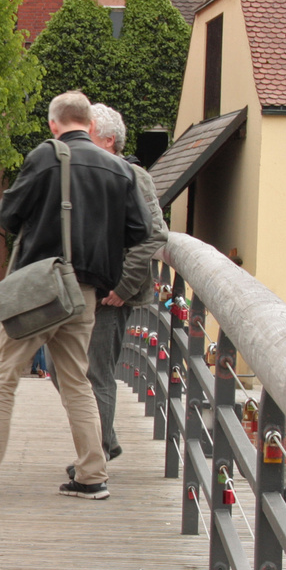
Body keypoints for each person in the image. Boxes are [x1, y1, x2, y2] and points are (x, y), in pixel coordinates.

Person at [0, 91, 147, 501]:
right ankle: (93, 475)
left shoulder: (45, 157)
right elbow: (139, 232)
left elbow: (9, 215)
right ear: (91, 125)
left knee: (5, 376)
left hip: (40, 287)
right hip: (86, 292)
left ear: (53, 124)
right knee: (78, 380)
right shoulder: (119, 170)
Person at [82, 103, 168, 464]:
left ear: (108, 140)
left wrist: (122, 287)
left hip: (110, 296)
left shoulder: (132, 175)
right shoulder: (94, 173)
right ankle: (107, 440)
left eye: (86, 138)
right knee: (66, 370)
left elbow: (155, 234)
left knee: (95, 374)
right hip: (86, 292)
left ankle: (96, 457)